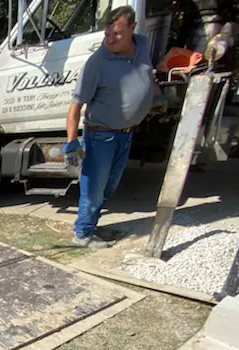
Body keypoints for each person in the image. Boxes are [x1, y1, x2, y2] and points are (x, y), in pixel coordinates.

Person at [63, 5, 166, 249]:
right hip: (101, 136)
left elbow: (147, 73)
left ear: (133, 28)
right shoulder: (96, 63)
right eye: (107, 34)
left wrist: (157, 96)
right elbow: (75, 107)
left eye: (117, 34)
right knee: (94, 188)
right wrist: (71, 143)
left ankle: (92, 226)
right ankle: (82, 234)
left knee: (110, 185)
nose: (110, 39)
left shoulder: (142, 45)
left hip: (125, 134)